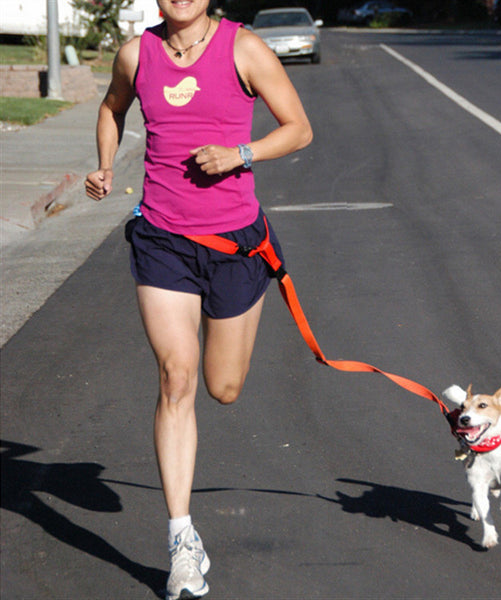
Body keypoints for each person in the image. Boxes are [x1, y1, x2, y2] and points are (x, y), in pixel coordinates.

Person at [85, 1, 313, 597]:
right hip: (161, 237)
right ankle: (182, 539)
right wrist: (106, 166)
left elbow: (299, 128)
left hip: (235, 243)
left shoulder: (244, 48)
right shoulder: (136, 54)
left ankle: (186, 534)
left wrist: (242, 154)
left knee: (223, 387)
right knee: (175, 377)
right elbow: (111, 110)